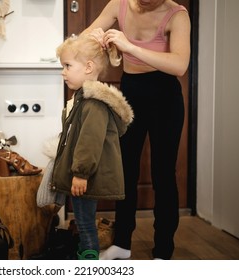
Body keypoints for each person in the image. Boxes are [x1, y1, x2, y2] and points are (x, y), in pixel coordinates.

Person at [81, 0, 191, 260]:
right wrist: (94, 36)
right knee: (125, 169)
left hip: (165, 94)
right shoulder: (118, 5)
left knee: (163, 173)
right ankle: (122, 243)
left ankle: (163, 251)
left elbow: (179, 65)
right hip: (130, 91)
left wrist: (130, 46)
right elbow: (86, 36)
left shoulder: (177, 15)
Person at [50, 34, 134, 260]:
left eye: (68, 65)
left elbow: (89, 142)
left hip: (86, 176)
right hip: (84, 176)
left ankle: (89, 259)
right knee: (84, 220)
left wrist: (80, 173)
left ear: (88, 67)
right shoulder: (82, 99)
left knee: (86, 224)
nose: (63, 72)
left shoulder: (93, 104)